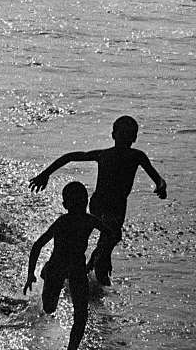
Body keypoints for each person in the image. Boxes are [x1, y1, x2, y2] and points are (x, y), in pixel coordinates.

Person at [28, 116, 166, 285]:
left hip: (117, 208)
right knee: (111, 236)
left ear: (134, 138)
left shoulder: (136, 156)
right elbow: (70, 157)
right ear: (114, 135)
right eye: (122, 134)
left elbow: (157, 177)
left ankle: (91, 269)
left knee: (109, 240)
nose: (124, 138)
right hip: (100, 205)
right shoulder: (107, 155)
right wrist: (45, 174)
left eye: (128, 135)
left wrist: (161, 186)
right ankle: (83, 268)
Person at [24, 181, 112, 350]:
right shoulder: (63, 222)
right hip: (57, 267)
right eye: (76, 203)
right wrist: (30, 273)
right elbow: (38, 244)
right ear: (66, 206)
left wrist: (97, 255)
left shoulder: (90, 220)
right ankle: (45, 273)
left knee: (81, 316)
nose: (79, 207)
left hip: (77, 270)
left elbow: (111, 234)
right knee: (49, 308)